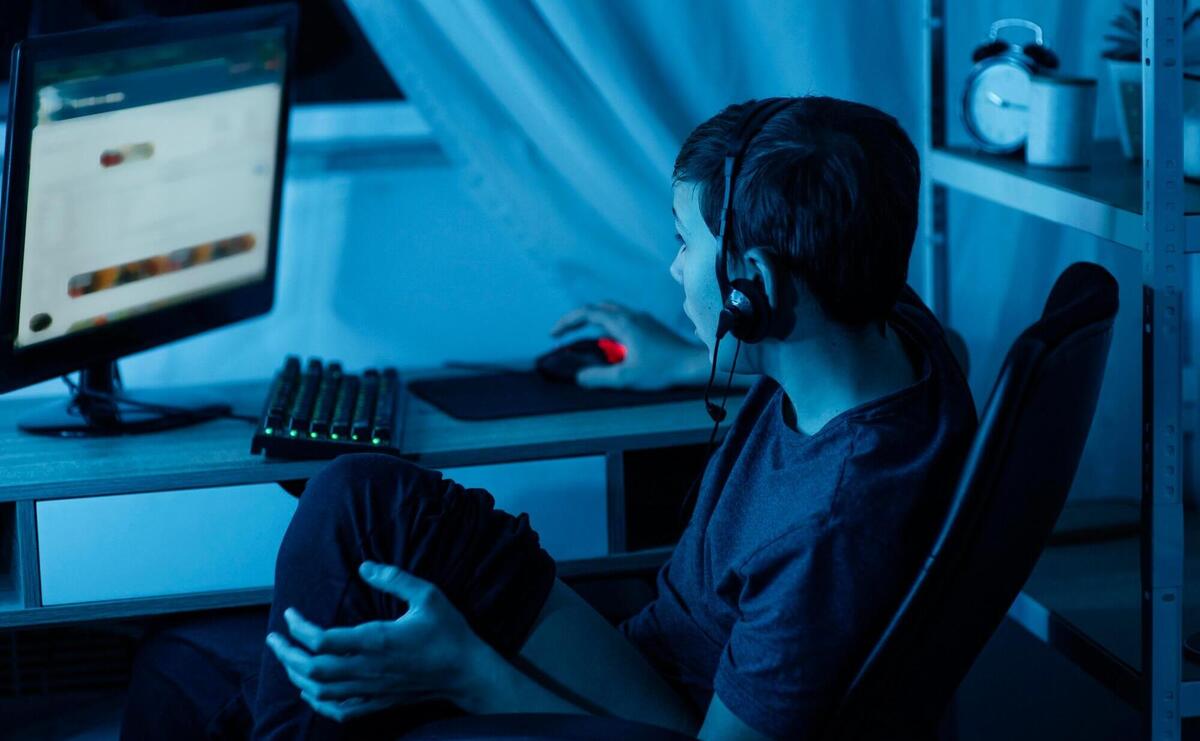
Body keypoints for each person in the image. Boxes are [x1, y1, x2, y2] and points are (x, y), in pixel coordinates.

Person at [120, 95, 976, 741]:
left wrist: (467, 669)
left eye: (684, 243)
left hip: (652, 705)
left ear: (753, 285)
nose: (673, 268)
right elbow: (886, 317)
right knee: (361, 503)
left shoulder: (831, 524)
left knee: (201, 666)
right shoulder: (896, 336)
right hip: (640, 640)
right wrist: (686, 359)